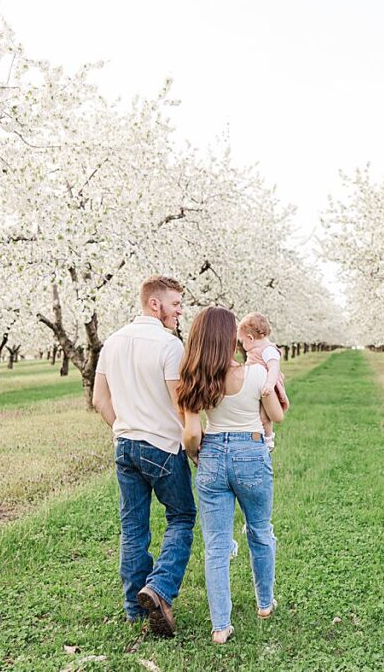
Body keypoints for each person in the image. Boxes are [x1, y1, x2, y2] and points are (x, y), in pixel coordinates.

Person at [92, 276, 195, 638]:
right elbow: (181, 406)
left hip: (125, 444)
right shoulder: (169, 346)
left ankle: (135, 610)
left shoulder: (113, 342)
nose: (180, 311)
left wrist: (123, 427)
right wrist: (193, 442)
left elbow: (99, 401)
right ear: (156, 305)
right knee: (182, 517)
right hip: (163, 447)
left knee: (133, 528)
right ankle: (159, 588)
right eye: (176, 304)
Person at [178, 306, 285, 645]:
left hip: (211, 455)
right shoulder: (255, 374)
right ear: (231, 339)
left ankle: (220, 626)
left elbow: (192, 434)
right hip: (251, 453)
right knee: (259, 529)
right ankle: (264, 603)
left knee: (216, 544)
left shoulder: (195, 378)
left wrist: (199, 456)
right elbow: (277, 416)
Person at [237, 312, 289, 451]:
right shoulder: (257, 350)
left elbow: (274, 367)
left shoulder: (268, 349)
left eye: (242, 341)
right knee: (258, 414)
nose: (242, 345)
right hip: (258, 385)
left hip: (267, 387)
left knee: (264, 416)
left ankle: (268, 438)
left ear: (250, 338)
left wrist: (270, 385)